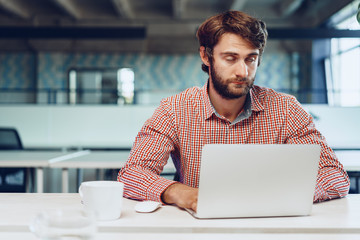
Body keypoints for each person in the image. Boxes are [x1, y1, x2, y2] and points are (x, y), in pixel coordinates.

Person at [117, 10, 350, 212]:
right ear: (206, 56)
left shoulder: (286, 109)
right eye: (230, 58)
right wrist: (182, 194)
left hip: (270, 223)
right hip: (198, 225)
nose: (243, 71)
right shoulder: (174, 109)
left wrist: (283, 193)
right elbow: (132, 174)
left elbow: (334, 174)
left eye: (251, 59)